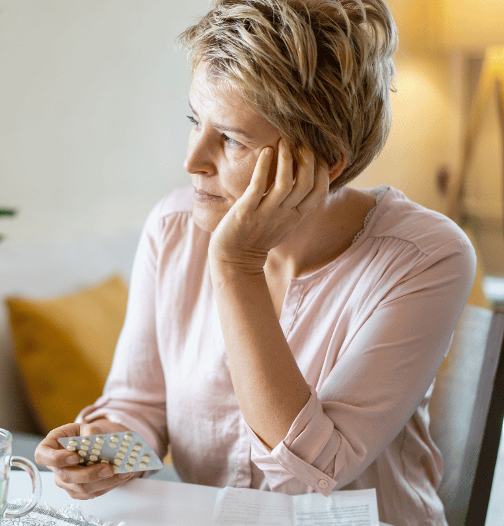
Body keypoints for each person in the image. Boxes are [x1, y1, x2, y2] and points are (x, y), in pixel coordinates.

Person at [33, 1, 476, 524]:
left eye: (231, 139)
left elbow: (310, 474)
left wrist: (236, 266)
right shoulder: (174, 229)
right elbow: (139, 406)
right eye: (195, 120)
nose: (192, 160)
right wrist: (100, 453)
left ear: (324, 163)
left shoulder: (426, 258)